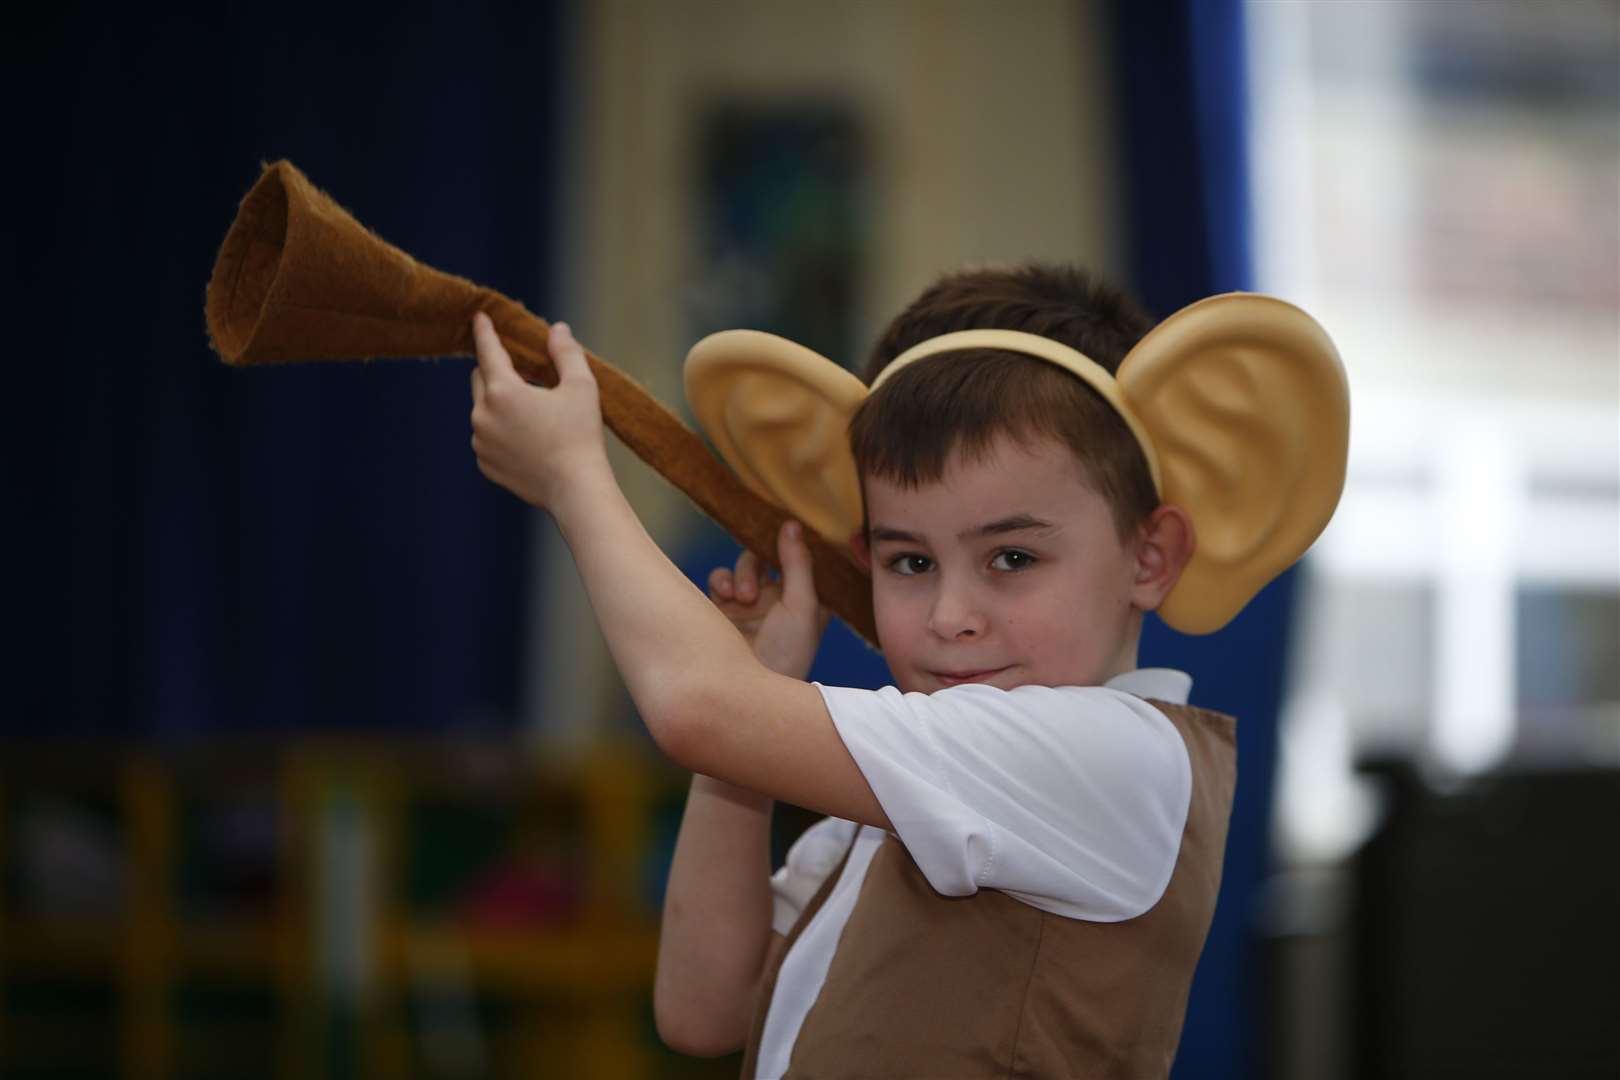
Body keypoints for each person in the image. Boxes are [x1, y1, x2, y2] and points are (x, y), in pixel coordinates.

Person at [469, 264, 1257, 1078]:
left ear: (1149, 556)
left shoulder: (1118, 759)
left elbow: (696, 709)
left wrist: (573, 478)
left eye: (1012, 556)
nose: (952, 614)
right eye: (911, 560)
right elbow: (703, 1010)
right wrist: (751, 705)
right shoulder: (885, 806)